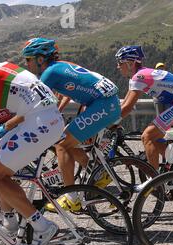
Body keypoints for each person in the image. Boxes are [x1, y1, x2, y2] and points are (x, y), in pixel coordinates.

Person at [22, 38, 121, 212]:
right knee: (67, 141)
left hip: (104, 104)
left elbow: (34, 104)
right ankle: (98, 172)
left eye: (28, 59)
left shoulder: (49, 73)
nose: (26, 63)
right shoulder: (59, 66)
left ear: (39, 59)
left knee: (61, 145)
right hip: (104, 103)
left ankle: (71, 197)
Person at [0, 61, 65, 245]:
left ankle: (42, 226)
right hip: (41, 119)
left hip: (39, 124)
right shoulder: (1, 67)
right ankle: (9, 220)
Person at [115, 46, 173, 171]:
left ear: (130, 63)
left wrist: (107, 123)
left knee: (147, 136)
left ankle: (154, 182)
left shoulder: (139, 77)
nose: (118, 66)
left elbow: (127, 107)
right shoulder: (138, 76)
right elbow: (124, 104)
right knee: (154, 138)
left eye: (120, 63)